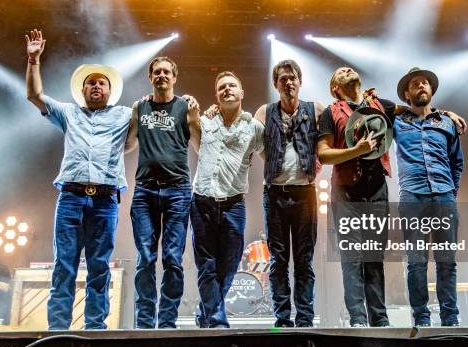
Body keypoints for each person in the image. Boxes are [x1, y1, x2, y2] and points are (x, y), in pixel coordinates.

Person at [318, 67, 466, 327]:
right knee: (365, 260)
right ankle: (370, 320)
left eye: (425, 83)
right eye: (341, 71)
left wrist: (447, 114)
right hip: (364, 193)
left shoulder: (390, 108)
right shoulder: (339, 112)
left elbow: (453, 157)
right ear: (334, 87)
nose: (347, 69)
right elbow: (323, 153)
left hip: (398, 193)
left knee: (385, 259)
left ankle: (390, 319)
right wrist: (356, 150)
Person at [25, 29, 133, 330]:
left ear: (110, 91)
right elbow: (34, 95)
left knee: (100, 267)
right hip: (71, 197)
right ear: (82, 90)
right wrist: (33, 60)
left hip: (106, 199)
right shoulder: (68, 113)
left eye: (101, 83)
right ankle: (57, 330)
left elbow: (154, 113)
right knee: (64, 265)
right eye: (91, 83)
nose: (96, 86)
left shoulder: (125, 115)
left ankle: (95, 330)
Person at [125, 56, 200, 329]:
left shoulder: (186, 107)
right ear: (150, 77)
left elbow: (201, 146)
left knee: (172, 259)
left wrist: (201, 115)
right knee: (145, 257)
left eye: (167, 72)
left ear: (174, 77)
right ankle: (145, 322)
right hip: (145, 191)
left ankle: (167, 321)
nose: (161, 76)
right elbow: (128, 145)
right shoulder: (139, 107)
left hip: (178, 191)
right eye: (156, 72)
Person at [253, 59, 325, 328]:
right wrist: (271, 161)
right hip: (274, 194)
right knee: (279, 261)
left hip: (305, 193)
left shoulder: (315, 109)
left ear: (300, 81)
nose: (288, 82)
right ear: (276, 84)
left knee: (304, 260)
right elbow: (252, 141)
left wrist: (316, 162)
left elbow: (335, 134)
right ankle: (283, 319)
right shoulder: (264, 112)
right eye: (283, 78)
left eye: (293, 77)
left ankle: (305, 318)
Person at [190, 71, 264, 328]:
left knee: (229, 266)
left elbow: (271, 154)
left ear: (242, 93)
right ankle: (218, 321)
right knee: (206, 265)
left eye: (232, 85)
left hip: (234, 204)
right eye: (222, 87)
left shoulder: (254, 127)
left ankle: (205, 312)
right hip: (202, 200)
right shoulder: (204, 121)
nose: (227, 89)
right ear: (216, 96)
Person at [395, 67, 464, 327]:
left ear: (431, 90)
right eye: (415, 84)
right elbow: (375, 108)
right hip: (412, 197)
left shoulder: (447, 122)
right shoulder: (397, 121)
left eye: (425, 83)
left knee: (447, 261)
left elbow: (457, 162)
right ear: (406, 93)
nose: (421, 86)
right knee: (416, 262)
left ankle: (450, 319)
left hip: (444, 197)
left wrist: (450, 193)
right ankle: (422, 319)